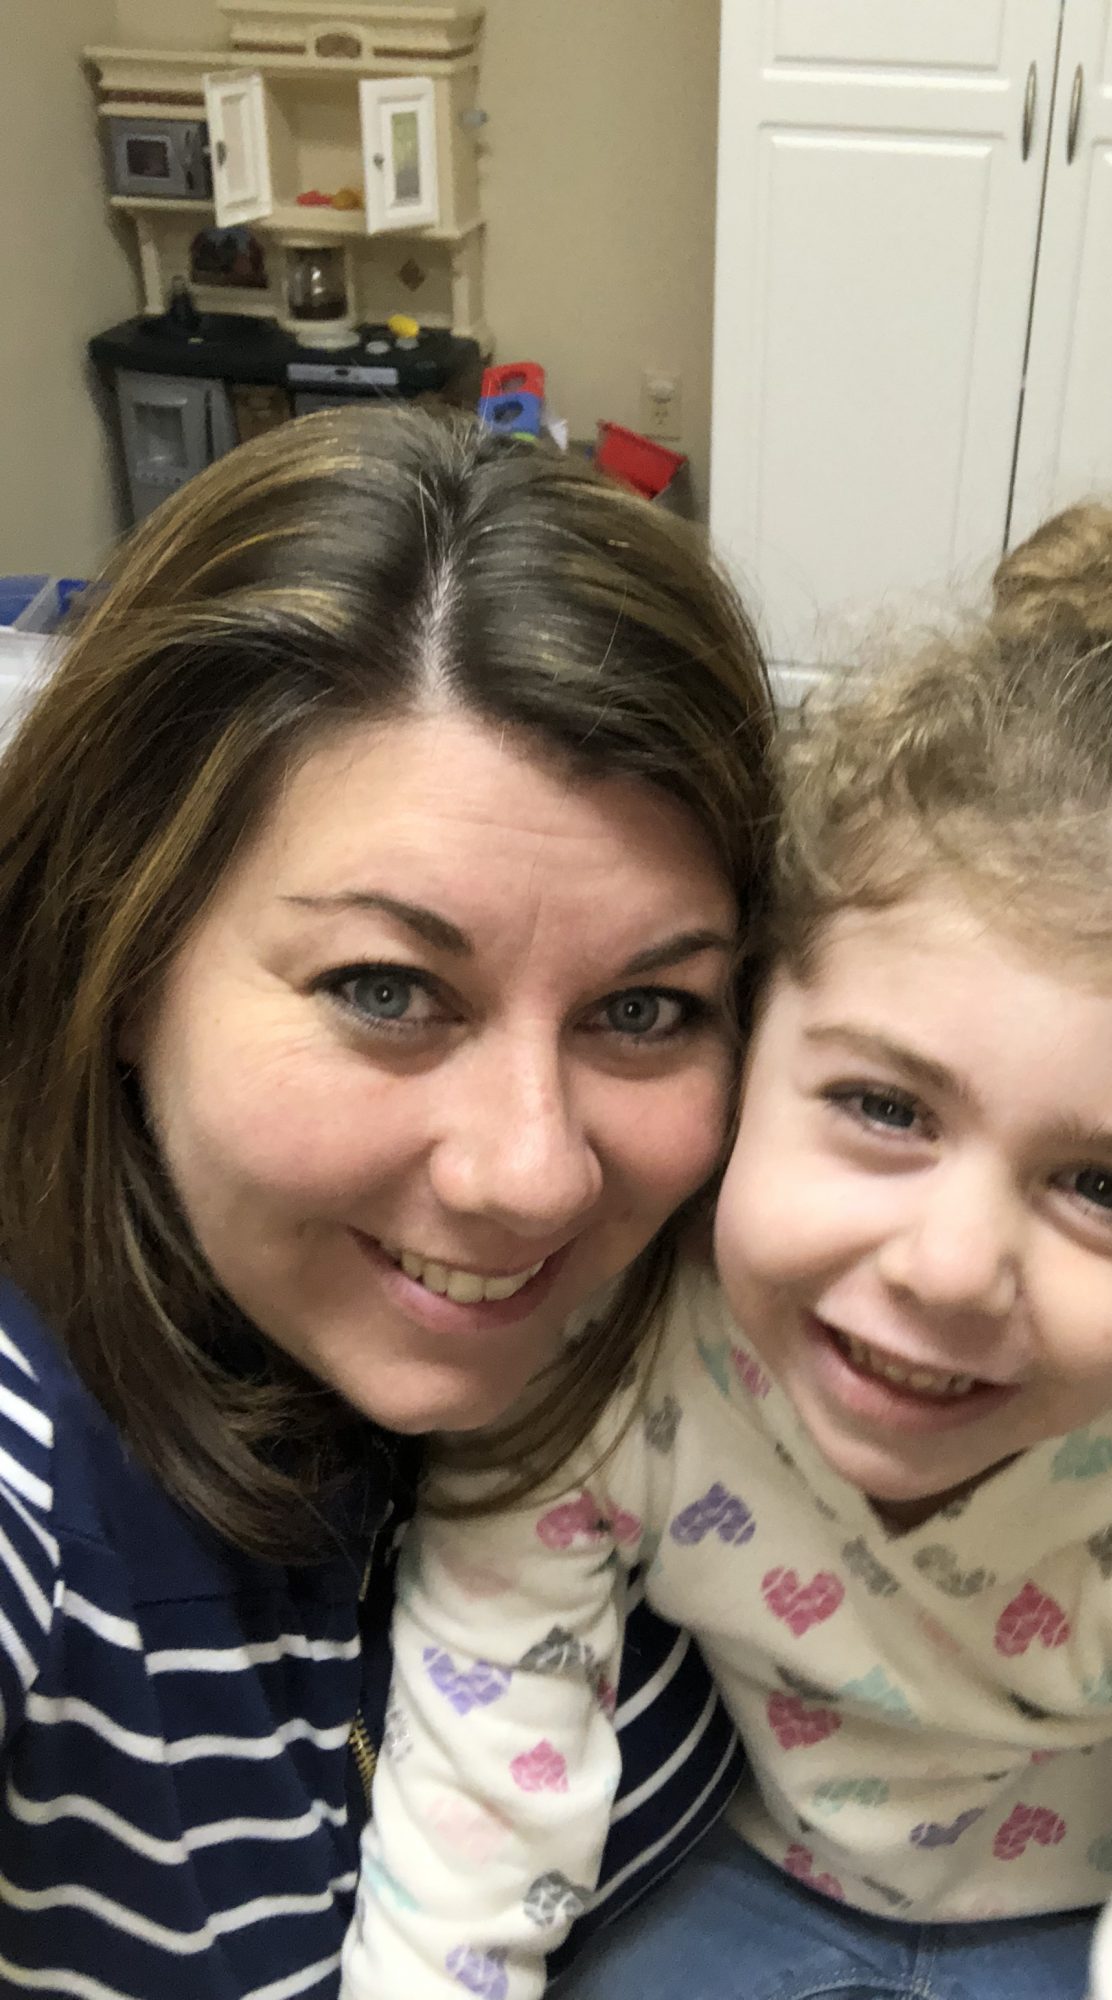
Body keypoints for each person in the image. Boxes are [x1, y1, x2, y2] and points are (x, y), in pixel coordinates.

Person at [345, 505, 1112, 2000]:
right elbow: (477, 1783)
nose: (947, 1268)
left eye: (1107, 1188)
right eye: (884, 1107)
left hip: (1089, 1917)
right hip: (726, 1865)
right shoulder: (616, 1337)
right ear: (742, 1038)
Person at [0, 408, 777, 1998]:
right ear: (116, 957)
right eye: (385, 988)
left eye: (645, 1011)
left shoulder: (753, 1288)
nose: (534, 1174)